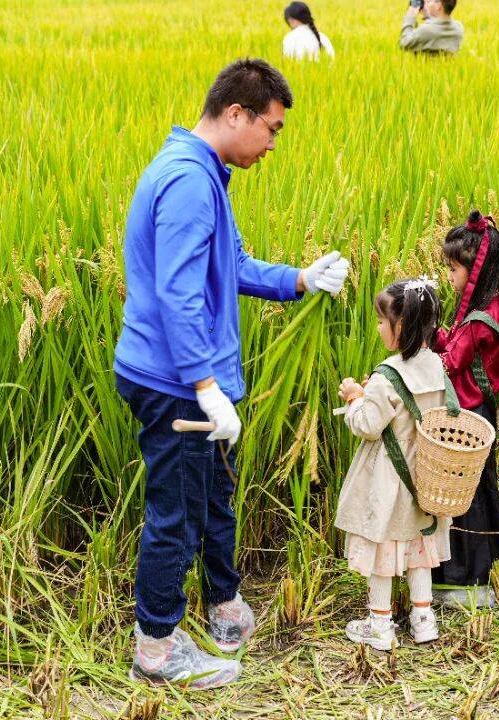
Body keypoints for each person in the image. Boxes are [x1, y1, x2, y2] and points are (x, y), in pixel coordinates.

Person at [114, 58, 350, 688]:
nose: (273, 143)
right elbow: (179, 295)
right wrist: (206, 386)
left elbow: (232, 264)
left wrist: (299, 280)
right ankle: (156, 651)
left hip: (182, 379)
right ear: (237, 113)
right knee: (178, 514)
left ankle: (223, 609)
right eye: (271, 129)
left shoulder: (202, 173)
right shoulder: (190, 182)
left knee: (212, 497)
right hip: (174, 384)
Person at [336, 279, 451, 650]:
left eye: (382, 321)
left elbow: (368, 426)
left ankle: (380, 625)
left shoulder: (388, 374)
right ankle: (423, 618)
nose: (378, 327)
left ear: (401, 326)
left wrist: (355, 397)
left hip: (390, 478)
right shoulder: (434, 364)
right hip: (425, 475)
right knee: (419, 546)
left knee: (384, 549)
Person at [431, 210, 499, 608]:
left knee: (465, 498)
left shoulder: (481, 317)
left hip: (471, 414)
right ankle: (487, 570)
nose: (450, 277)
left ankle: (471, 579)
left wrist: (424, 338)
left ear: (476, 269)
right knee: (479, 491)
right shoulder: (491, 306)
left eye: (453, 269)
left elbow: (451, 361)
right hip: (477, 411)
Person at [399, 0, 463, 55]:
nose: (426, 2)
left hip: (423, 68)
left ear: (438, 5)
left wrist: (411, 15)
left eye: (429, 1)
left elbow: (404, 43)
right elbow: (436, 28)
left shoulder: (426, 30)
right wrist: (428, 15)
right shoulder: (458, 27)